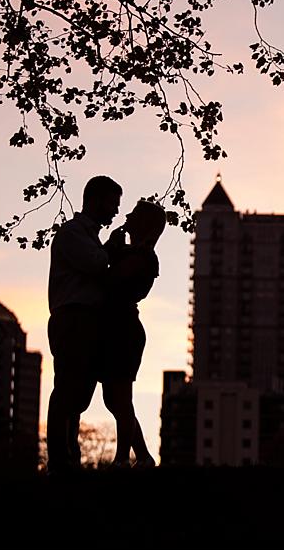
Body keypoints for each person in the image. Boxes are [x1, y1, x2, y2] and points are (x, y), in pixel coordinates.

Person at [46, 175, 124, 475]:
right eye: (112, 204)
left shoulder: (87, 236)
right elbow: (96, 263)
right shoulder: (72, 234)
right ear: (96, 199)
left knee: (78, 392)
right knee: (67, 389)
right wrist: (112, 249)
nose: (115, 211)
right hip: (73, 318)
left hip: (86, 320)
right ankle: (60, 459)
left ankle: (68, 456)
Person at [100, 200, 166, 468]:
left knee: (120, 397)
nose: (126, 215)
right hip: (115, 327)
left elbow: (110, 280)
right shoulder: (130, 252)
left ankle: (121, 459)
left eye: (134, 214)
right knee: (114, 399)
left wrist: (111, 251)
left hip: (124, 330)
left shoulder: (144, 257)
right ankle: (144, 457)